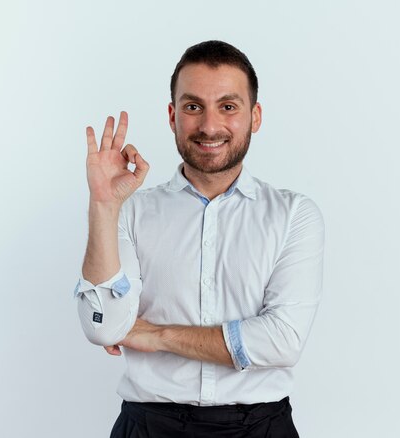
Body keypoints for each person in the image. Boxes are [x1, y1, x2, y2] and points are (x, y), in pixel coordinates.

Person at [74, 40, 324, 437]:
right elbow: (103, 327)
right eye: (193, 107)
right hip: (149, 427)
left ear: (254, 116)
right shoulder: (132, 211)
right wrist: (104, 204)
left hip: (261, 428)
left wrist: (153, 334)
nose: (209, 126)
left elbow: (282, 341)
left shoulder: (294, 215)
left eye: (228, 106)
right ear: (172, 116)